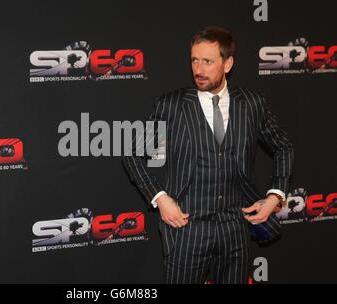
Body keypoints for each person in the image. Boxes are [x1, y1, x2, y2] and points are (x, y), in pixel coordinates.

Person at [122, 26, 294, 284]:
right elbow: (132, 153)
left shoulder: (251, 104)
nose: (198, 70)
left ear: (228, 63)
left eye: (208, 61)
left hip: (236, 229)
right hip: (187, 230)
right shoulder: (171, 106)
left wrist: (275, 196)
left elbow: (283, 146)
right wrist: (160, 197)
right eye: (194, 60)